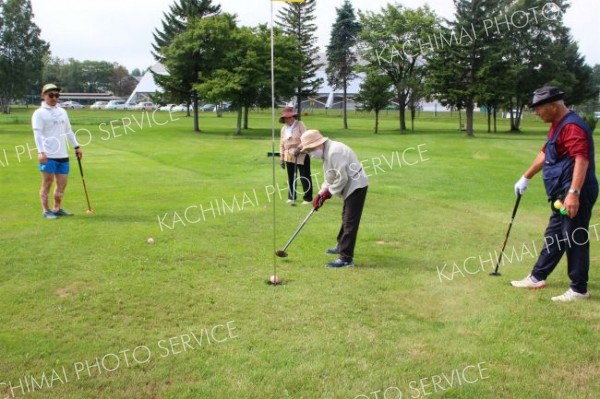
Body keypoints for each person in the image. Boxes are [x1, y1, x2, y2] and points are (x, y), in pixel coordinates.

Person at [511, 86, 597, 302]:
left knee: (574, 238)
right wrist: (526, 176)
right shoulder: (558, 125)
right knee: (555, 236)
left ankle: (579, 289)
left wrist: (573, 193)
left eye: (538, 108)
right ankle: (537, 277)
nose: (536, 113)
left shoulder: (573, 126)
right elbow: (546, 151)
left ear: (553, 105)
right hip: (563, 192)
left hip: (575, 191)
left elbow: (581, 159)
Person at [299, 129, 368, 268]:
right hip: (349, 184)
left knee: (350, 221)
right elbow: (330, 177)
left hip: (357, 185)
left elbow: (341, 178)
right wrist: (321, 193)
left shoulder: (334, 152)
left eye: (311, 150)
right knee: (345, 217)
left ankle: (346, 258)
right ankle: (341, 244)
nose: (311, 154)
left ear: (319, 144)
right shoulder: (326, 152)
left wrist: (328, 193)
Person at [32, 83, 83, 219]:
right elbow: (37, 134)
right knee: (47, 183)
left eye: (57, 95)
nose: (54, 98)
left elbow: (68, 131)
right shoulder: (39, 113)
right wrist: (40, 152)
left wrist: (76, 146)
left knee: (61, 185)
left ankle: (57, 208)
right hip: (48, 156)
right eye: (51, 95)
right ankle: (46, 210)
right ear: (43, 96)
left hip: (63, 155)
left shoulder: (62, 112)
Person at [279, 107, 313, 205]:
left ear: (293, 117)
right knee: (291, 177)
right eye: (286, 118)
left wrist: (299, 148)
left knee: (304, 176)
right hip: (288, 155)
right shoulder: (284, 129)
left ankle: (308, 198)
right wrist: (281, 158)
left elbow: (306, 138)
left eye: (289, 117)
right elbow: (281, 143)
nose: (288, 119)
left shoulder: (300, 125)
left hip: (301, 154)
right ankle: (291, 196)